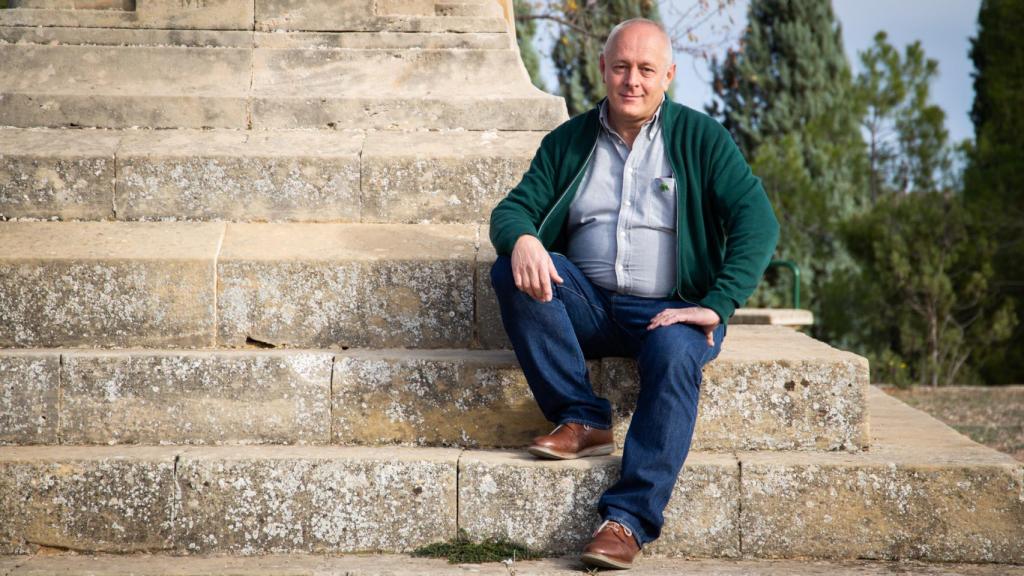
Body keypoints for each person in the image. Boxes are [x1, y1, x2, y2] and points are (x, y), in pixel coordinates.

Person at [487, 17, 779, 570]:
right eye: (621, 67)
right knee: (512, 269)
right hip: (589, 304)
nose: (632, 81)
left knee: (675, 359)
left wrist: (716, 304)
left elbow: (757, 223)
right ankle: (583, 415)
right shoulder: (568, 141)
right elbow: (512, 209)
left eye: (646, 69)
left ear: (668, 75)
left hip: (672, 310)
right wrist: (524, 238)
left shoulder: (700, 138)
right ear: (603, 69)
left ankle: (626, 521)